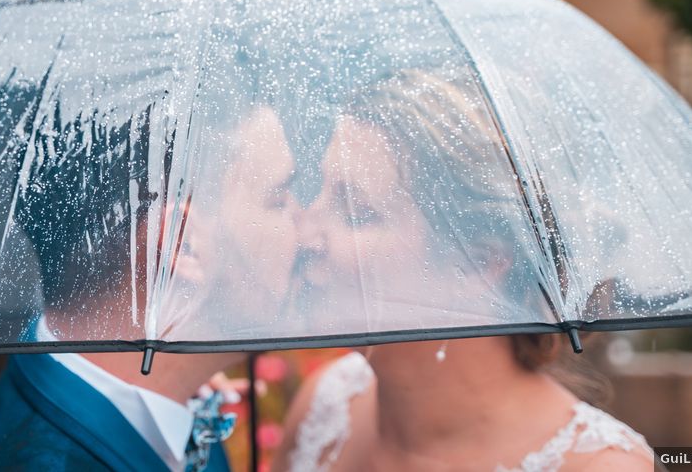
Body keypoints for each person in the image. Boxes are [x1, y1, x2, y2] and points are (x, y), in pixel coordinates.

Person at [273, 70, 657, 472]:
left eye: (355, 212)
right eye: (319, 190)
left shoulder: (598, 466)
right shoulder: (325, 410)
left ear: (478, 265)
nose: (304, 233)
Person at [0, 95, 300, 471]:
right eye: (278, 200)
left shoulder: (122, 388)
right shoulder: (46, 460)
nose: (308, 232)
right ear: (183, 244)